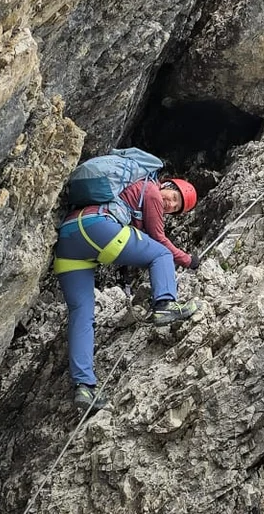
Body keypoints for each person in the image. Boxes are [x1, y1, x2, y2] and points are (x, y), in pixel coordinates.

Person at [55, 172, 199, 411]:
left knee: (82, 312)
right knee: (161, 254)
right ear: (166, 184)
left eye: (175, 207)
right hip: (98, 226)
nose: (170, 204)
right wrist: (188, 260)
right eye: (173, 196)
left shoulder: (133, 191)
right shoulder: (150, 190)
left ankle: (83, 387)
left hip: (70, 238)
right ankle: (165, 304)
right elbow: (159, 240)